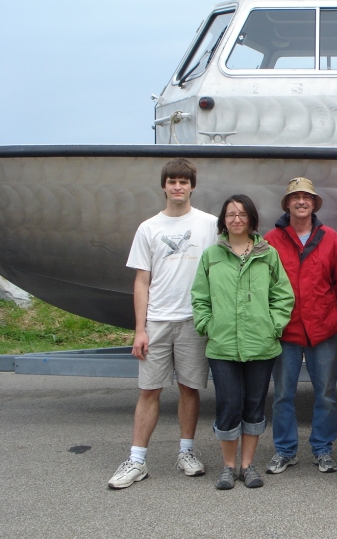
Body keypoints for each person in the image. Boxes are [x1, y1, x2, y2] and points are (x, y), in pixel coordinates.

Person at [108, 158, 218, 489]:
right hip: (156, 321)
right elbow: (142, 281)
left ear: (192, 186)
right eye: (172, 181)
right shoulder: (149, 228)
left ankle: (186, 452)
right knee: (149, 390)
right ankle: (137, 460)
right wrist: (139, 329)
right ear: (164, 186)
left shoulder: (210, 225)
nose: (178, 187)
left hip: (192, 321)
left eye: (183, 181)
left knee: (189, 388)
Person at [191, 194, 295, 490]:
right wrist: (206, 324)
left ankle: (248, 466)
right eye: (230, 214)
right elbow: (199, 297)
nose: (236, 219)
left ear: (251, 218)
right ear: (223, 221)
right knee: (228, 404)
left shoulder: (267, 253)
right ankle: (228, 466)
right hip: (222, 345)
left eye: (241, 214)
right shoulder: (212, 255)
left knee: (253, 405)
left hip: (260, 344)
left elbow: (283, 295)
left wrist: (273, 326)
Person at [264, 178, 337, 475]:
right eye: (295, 197)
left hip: (323, 330)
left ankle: (323, 448)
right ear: (287, 204)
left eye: (307, 197)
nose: (301, 201)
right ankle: (285, 450)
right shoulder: (271, 240)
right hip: (285, 331)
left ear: (314, 204)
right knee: (283, 393)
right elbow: (263, 286)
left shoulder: (331, 238)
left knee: (325, 393)